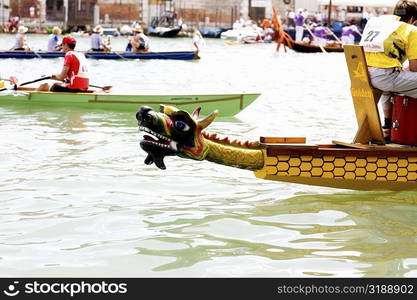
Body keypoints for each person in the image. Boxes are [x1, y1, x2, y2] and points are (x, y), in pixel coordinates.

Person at [360, 0, 417, 142]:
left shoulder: (378, 23)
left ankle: (387, 127)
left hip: (363, 75)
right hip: (384, 78)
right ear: (412, 19)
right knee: (394, 84)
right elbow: (415, 68)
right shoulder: (410, 29)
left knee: (391, 85)